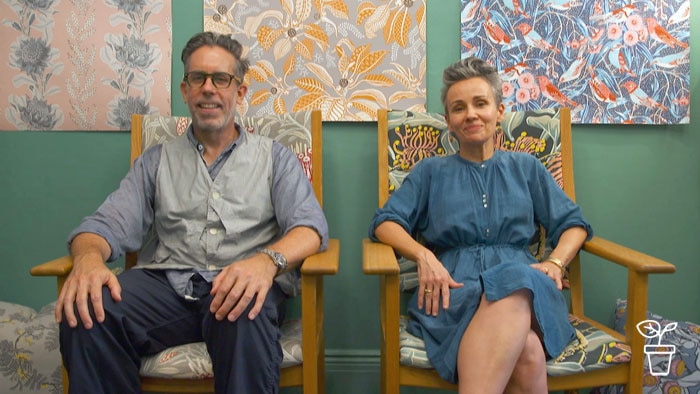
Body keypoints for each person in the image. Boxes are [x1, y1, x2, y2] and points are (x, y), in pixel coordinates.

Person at [55, 31, 328, 394]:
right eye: (197, 78)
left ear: (240, 92)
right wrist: (88, 258)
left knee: (245, 310)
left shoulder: (275, 158)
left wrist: (265, 263)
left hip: (240, 286)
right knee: (90, 310)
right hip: (166, 289)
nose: (209, 88)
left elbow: (310, 227)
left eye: (221, 79)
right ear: (185, 90)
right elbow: (105, 224)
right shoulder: (156, 161)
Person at [368, 57, 592, 394]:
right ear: (449, 121)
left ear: (499, 111)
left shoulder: (526, 168)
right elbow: (385, 222)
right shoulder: (431, 172)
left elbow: (574, 224)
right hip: (454, 293)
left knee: (515, 278)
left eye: (481, 103)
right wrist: (423, 256)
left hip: (526, 287)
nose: (470, 114)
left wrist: (555, 262)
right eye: (459, 108)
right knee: (527, 351)